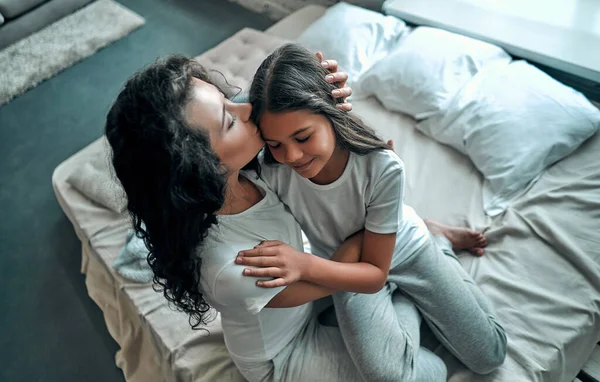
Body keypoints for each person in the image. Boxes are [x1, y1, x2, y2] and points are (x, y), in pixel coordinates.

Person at [105, 54, 447, 381]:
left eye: (227, 99)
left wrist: (319, 96)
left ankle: (409, 258)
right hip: (283, 354)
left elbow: (279, 104)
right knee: (422, 373)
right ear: (201, 167)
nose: (246, 108)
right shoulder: (230, 267)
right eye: (229, 118)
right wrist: (375, 222)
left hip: (307, 283)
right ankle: (405, 292)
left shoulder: (243, 170)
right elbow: (326, 280)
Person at [236, 43, 508, 378]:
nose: (291, 156)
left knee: (489, 355)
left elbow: (376, 274)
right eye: (276, 144)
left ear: (332, 114)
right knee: (384, 375)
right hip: (347, 264)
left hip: (405, 251)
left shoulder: (381, 167)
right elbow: (214, 140)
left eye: (303, 137)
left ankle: (438, 239)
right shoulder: (270, 169)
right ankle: (406, 291)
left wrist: (305, 265)